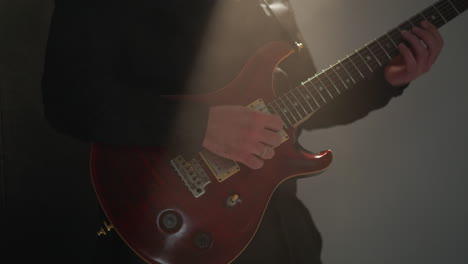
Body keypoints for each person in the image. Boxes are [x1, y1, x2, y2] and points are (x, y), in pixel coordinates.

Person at [41, 0, 444, 263]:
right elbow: (68, 100)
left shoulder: (274, 8)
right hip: (171, 230)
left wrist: (386, 81)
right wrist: (201, 128)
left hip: (284, 238)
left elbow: (299, 109)